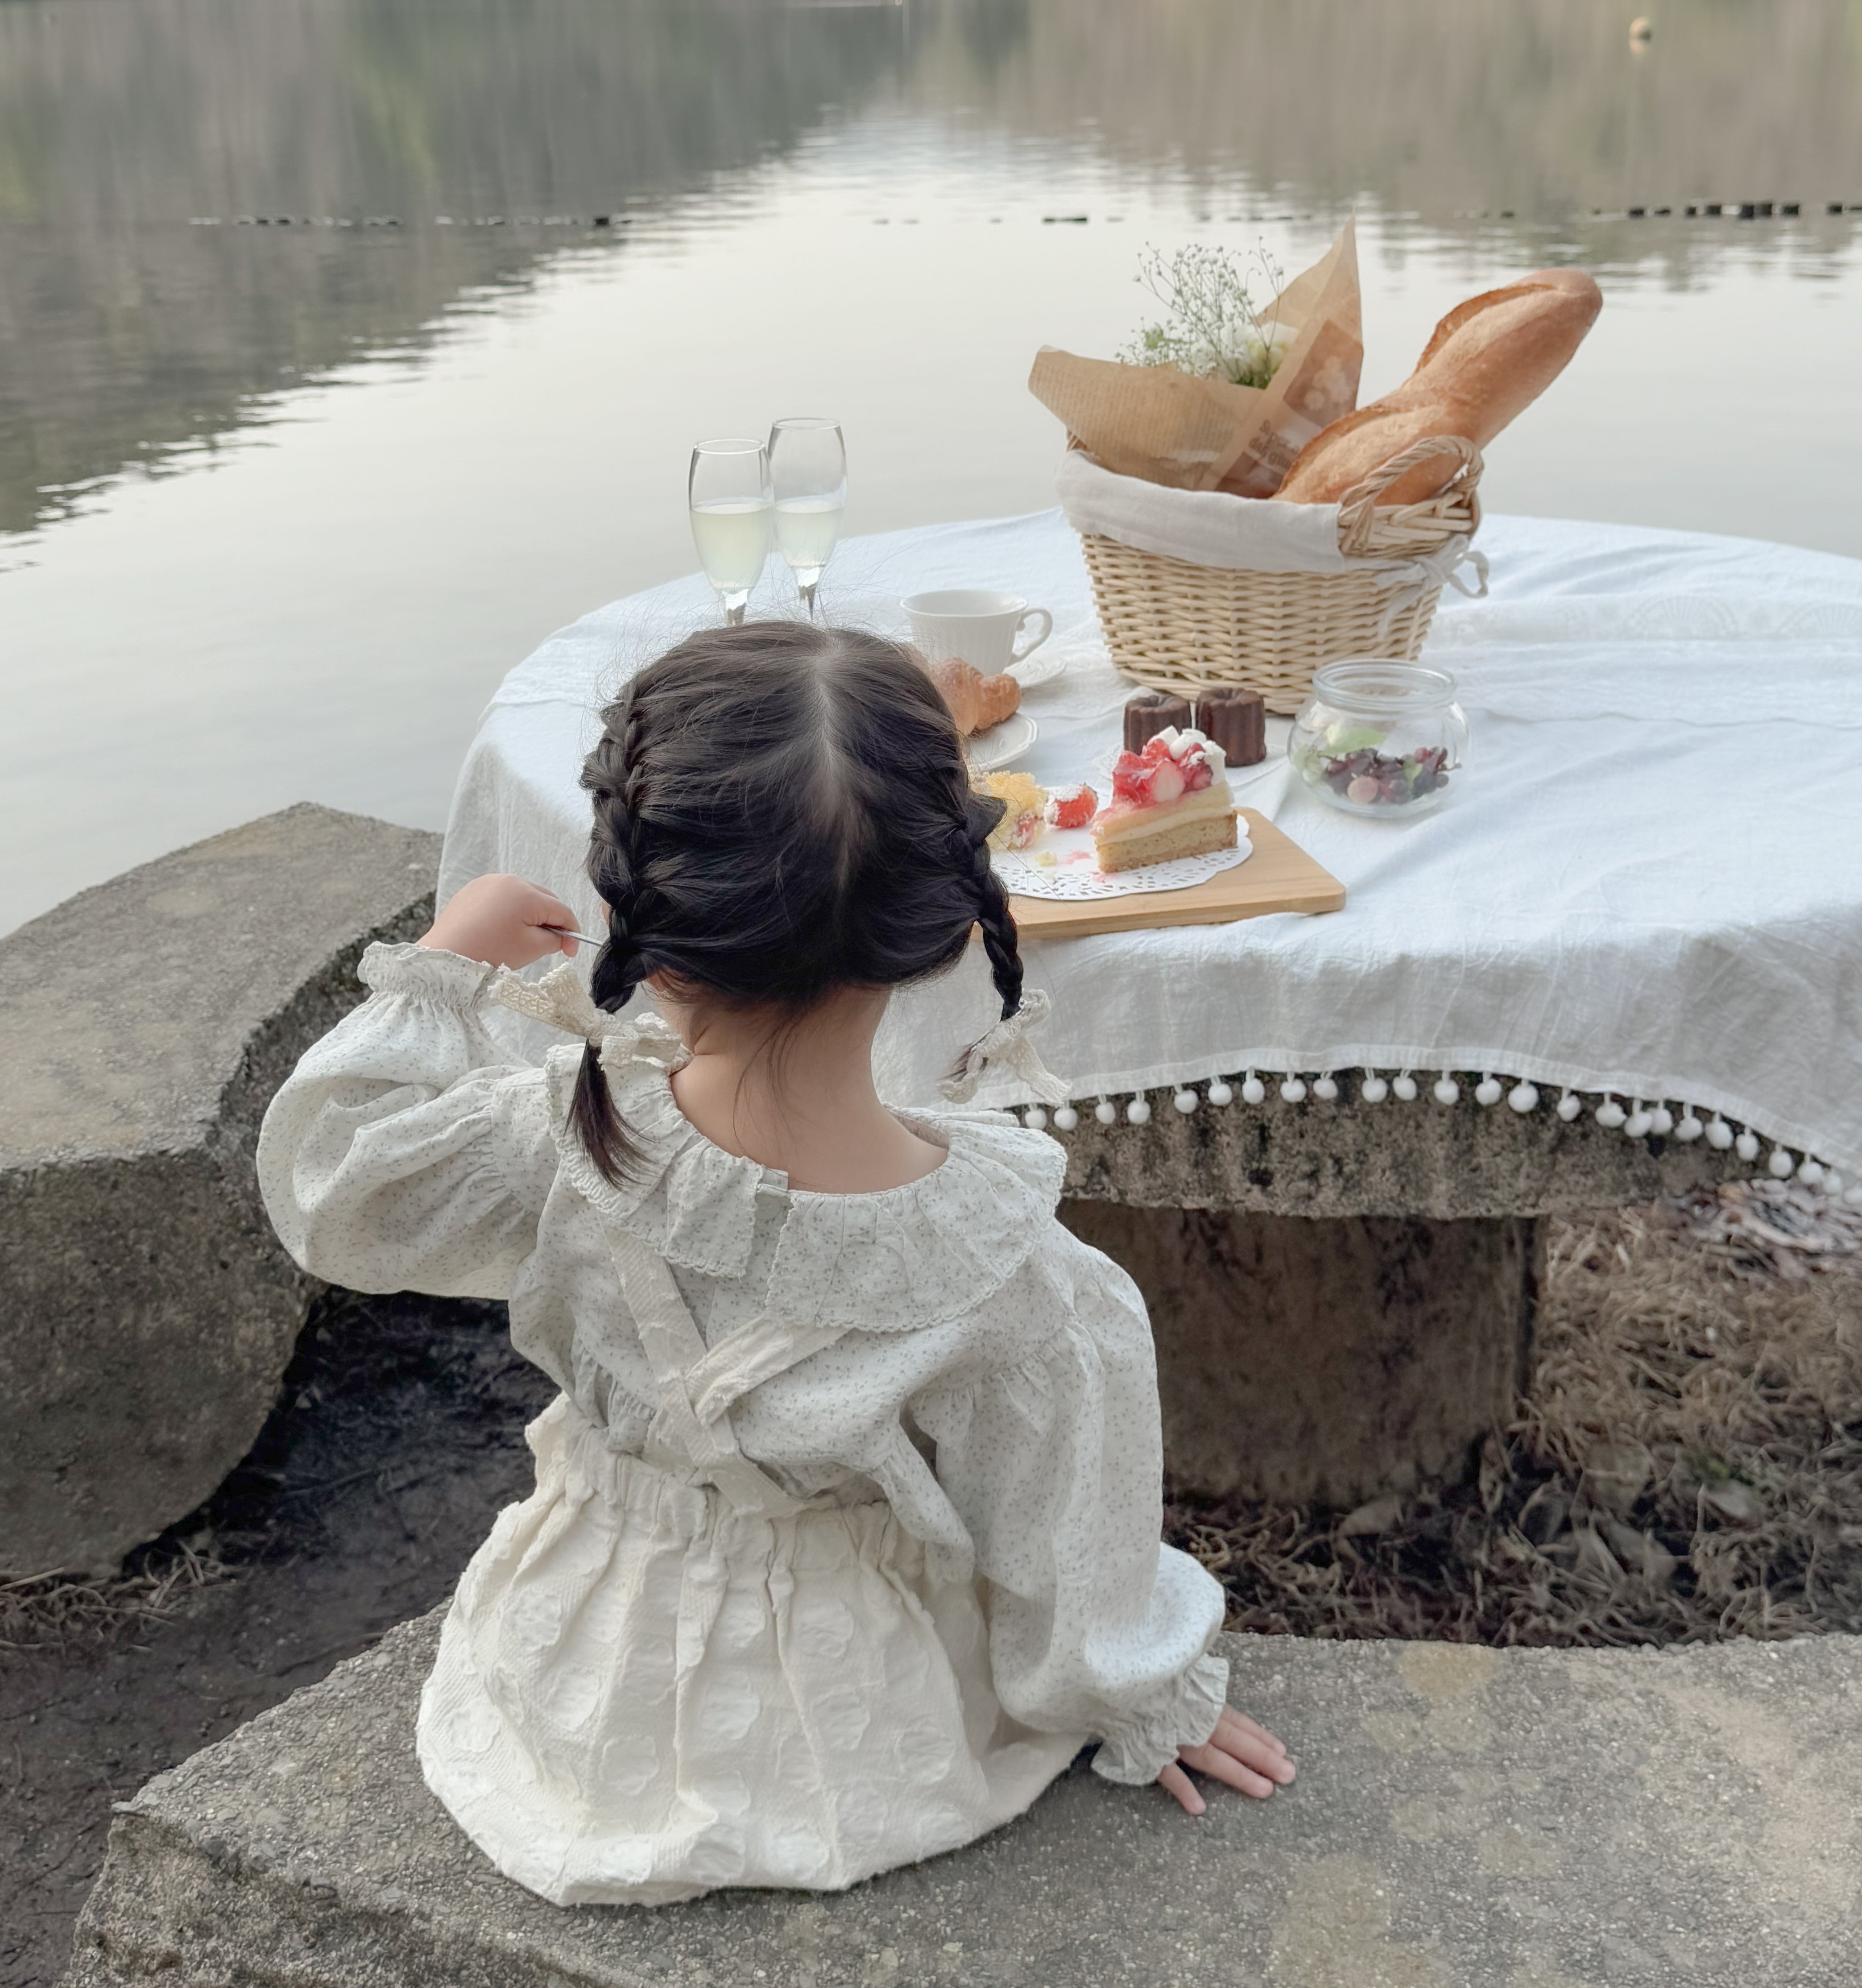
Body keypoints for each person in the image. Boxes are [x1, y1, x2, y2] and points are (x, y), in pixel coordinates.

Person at [257, 622, 1295, 1907]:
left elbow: (335, 1188)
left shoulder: (556, 1135)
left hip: (587, 1668)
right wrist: (1138, 1701)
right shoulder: (1014, 1275)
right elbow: (1061, 1549)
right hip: (854, 1721)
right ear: (954, 928)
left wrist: (443, 970)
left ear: (642, 918)